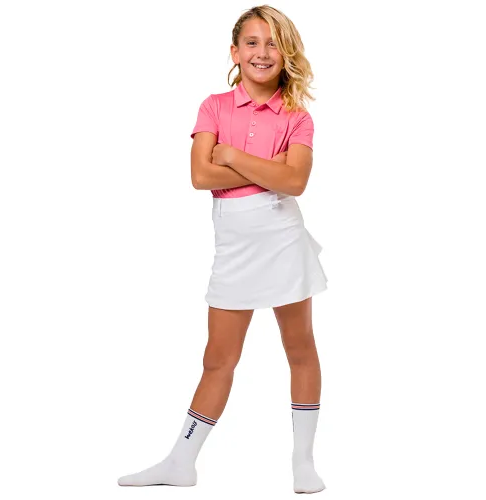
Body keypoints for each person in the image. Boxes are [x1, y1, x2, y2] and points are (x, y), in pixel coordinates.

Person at [118, 4, 327, 494]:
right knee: (218, 358)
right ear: (234, 52)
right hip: (233, 246)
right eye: (252, 43)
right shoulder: (213, 107)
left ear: (287, 53)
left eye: (273, 43)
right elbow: (199, 175)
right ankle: (180, 462)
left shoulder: (297, 117)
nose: (262, 52)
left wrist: (232, 155)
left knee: (299, 347)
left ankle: (303, 462)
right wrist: (267, 168)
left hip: (282, 239)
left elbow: (295, 182)